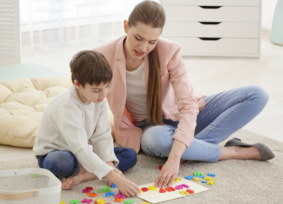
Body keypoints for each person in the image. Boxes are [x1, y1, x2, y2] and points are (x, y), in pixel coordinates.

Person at [93, 0, 275, 189]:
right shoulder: (101, 57)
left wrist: (175, 157)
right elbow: (89, 104)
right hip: (150, 129)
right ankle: (233, 151)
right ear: (125, 27)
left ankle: (193, 148)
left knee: (257, 95)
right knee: (159, 139)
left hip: (184, 115)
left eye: (152, 42)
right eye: (138, 38)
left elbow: (188, 105)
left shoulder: (169, 50)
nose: (143, 47)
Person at [33, 50, 140, 197]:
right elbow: (80, 147)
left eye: (107, 87)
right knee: (63, 163)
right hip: (56, 154)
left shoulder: (98, 98)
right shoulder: (67, 106)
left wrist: (108, 164)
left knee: (130, 155)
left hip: (83, 151)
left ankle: (82, 176)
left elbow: (102, 134)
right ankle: (91, 168)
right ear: (77, 84)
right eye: (97, 90)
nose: (103, 95)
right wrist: (114, 177)